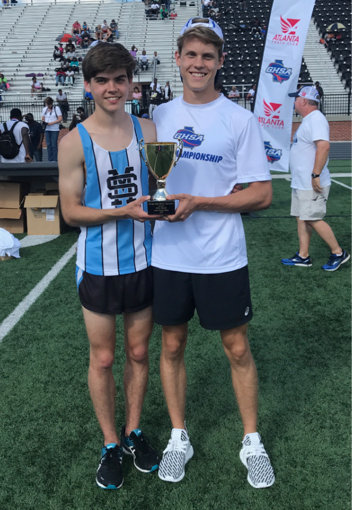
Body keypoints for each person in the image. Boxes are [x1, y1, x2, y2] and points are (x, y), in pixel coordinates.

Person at [151, 17, 275, 488]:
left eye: (208, 55)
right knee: (172, 344)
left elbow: (261, 194)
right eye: (191, 54)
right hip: (168, 254)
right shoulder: (157, 117)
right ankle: (179, 436)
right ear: (178, 59)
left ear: (220, 61)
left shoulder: (240, 119)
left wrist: (201, 202)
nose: (198, 63)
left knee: (237, 347)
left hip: (222, 255)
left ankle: (251, 440)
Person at [58, 42, 161, 491]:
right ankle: (109, 443)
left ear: (131, 83)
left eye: (120, 79)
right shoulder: (72, 142)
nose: (113, 88)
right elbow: (71, 212)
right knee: (103, 358)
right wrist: (124, 212)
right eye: (103, 80)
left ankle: (134, 432)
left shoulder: (149, 129)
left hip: (144, 260)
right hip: (98, 265)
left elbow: (160, 189)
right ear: (88, 85)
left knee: (139, 353)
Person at [281, 86, 349, 271]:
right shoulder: (309, 120)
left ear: (303, 100)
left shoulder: (316, 119)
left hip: (311, 182)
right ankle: (303, 256)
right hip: (302, 182)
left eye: (296, 99)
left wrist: (315, 174)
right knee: (302, 217)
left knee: (312, 217)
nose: (294, 102)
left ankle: (338, 252)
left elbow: (324, 147)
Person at [41, 97, 62, 162]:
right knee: (48, 145)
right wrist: (44, 122)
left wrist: (52, 123)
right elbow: (43, 118)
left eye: (48, 104)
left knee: (54, 145)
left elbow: (60, 118)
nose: (47, 105)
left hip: (54, 129)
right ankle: (50, 159)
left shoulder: (56, 108)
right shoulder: (44, 109)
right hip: (47, 128)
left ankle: (54, 159)